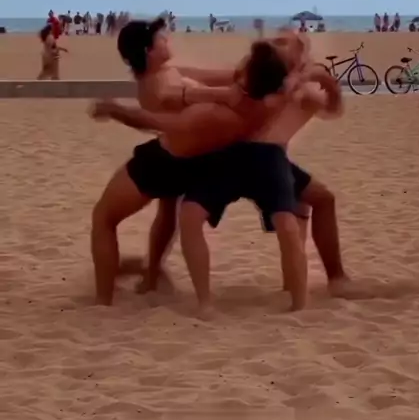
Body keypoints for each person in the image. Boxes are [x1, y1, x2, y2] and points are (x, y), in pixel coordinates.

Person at [91, 27, 347, 315]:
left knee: (109, 216)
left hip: (188, 156)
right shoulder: (277, 89)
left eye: (282, 41)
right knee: (172, 208)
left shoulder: (225, 108)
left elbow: (161, 119)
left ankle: (107, 301)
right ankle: (153, 277)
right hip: (222, 159)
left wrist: (117, 110)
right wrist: (314, 76)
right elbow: (224, 80)